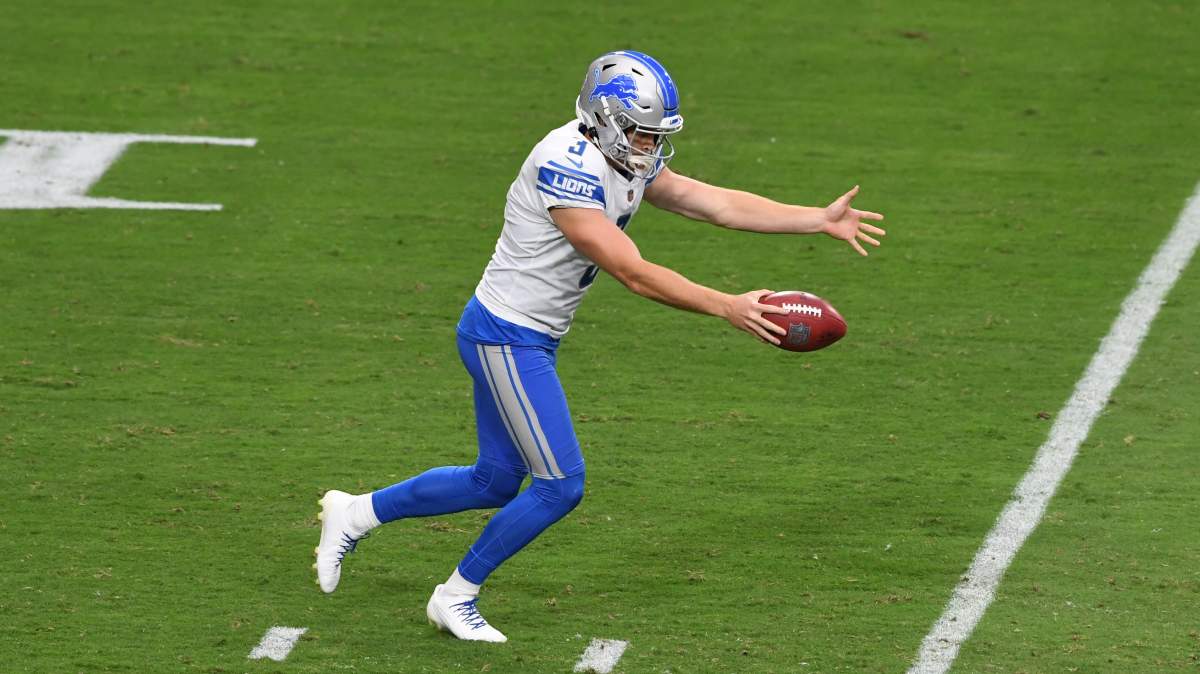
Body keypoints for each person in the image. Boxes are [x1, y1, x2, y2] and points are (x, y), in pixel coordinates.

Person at [313, 50, 886, 643]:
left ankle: (354, 512)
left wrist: (815, 219)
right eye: (640, 132)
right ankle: (455, 595)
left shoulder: (618, 152)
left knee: (493, 481)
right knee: (560, 485)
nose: (648, 146)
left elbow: (708, 201)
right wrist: (727, 305)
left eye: (654, 135)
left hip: (523, 334)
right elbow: (632, 272)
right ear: (605, 119)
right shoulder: (566, 166)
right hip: (506, 336)